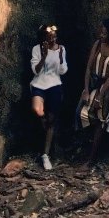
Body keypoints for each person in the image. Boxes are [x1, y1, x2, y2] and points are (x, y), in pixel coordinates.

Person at [77, 18, 109, 170]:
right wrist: (85, 90)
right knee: (82, 113)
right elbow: (88, 68)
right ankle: (85, 149)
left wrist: (99, 96)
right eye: (101, 31)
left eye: (105, 32)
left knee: (102, 120)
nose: (102, 34)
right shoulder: (98, 44)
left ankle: (92, 158)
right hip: (94, 83)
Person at [30, 23, 67, 171]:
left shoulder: (61, 49)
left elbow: (63, 71)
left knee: (52, 120)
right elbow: (36, 70)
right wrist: (44, 56)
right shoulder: (37, 49)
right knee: (38, 110)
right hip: (39, 84)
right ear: (44, 37)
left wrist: (60, 58)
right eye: (49, 36)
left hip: (55, 85)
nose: (52, 38)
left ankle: (45, 155)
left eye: (54, 35)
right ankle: (43, 126)